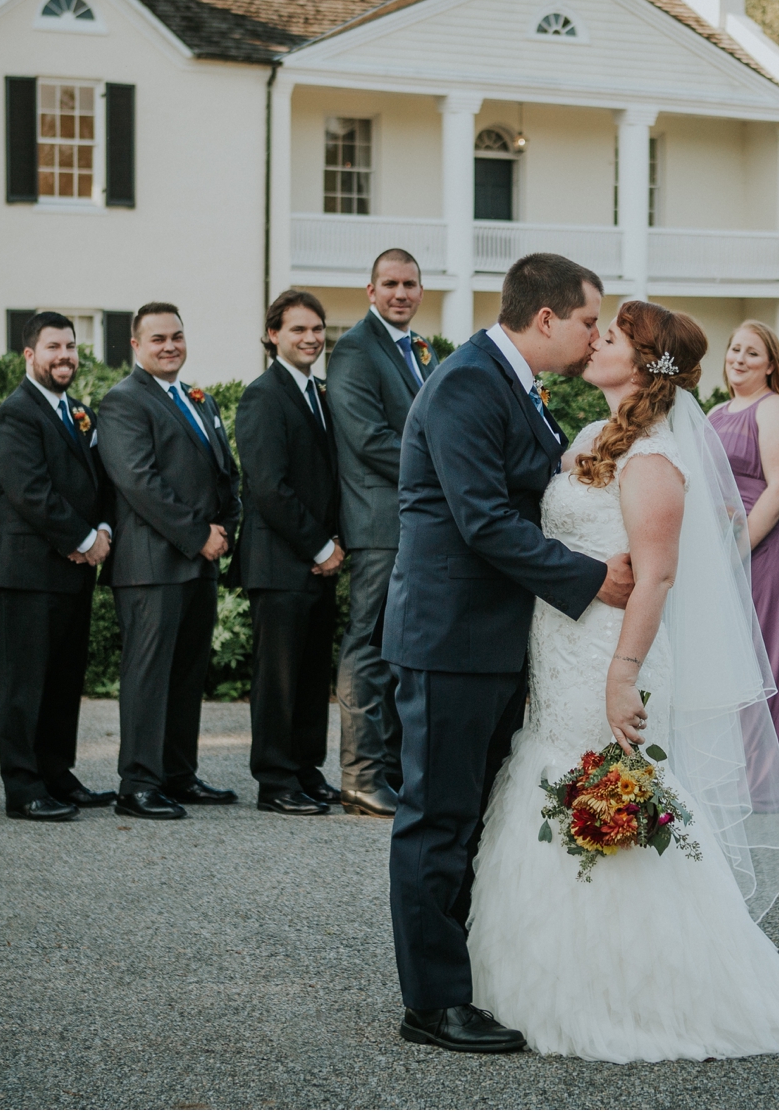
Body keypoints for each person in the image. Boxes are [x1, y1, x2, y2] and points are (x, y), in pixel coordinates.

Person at [467, 301, 779, 1061]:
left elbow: (657, 576)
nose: (595, 341)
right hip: (559, 652)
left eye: (612, 336)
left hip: (612, 656)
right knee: (546, 780)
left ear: (646, 360)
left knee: (605, 791)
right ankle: (538, 978)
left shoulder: (654, 458)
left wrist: (623, 676)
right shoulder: (592, 438)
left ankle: (633, 991)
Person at [383, 253, 633, 1054]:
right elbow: (483, 521)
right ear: (548, 318)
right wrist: (596, 581)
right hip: (448, 639)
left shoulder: (518, 387)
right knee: (436, 819)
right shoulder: (465, 384)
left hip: (493, 641)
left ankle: (466, 977)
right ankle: (432, 1003)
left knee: (473, 818)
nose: (598, 336)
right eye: (591, 320)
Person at [97, 303, 241, 822]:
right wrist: (197, 534)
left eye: (177, 336)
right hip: (151, 565)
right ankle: (137, 784)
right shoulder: (123, 401)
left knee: (186, 675)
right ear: (135, 345)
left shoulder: (194, 399)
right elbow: (139, 482)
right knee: (149, 675)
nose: (170, 346)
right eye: (157, 338)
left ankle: (178, 774)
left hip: (198, 560)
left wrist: (227, 525)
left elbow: (222, 469)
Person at [0, 311, 118, 823]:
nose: (65, 356)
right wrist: (83, 537)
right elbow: (29, 492)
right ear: (29, 354)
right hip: (27, 573)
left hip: (73, 571)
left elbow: (102, 484)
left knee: (63, 681)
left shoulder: (78, 412)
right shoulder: (15, 415)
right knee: (24, 686)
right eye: (53, 348)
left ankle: (57, 774)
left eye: (70, 347)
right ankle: (23, 787)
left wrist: (103, 530)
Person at [324, 249, 434, 818]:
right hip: (376, 524)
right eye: (389, 284)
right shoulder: (354, 351)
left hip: (411, 521)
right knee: (368, 647)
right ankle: (360, 777)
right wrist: (443, 464)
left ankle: (388, 773)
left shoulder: (416, 349)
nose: (400, 293)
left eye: (410, 284)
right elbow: (368, 440)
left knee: (399, 651)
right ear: (370, 291)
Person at [233, 290, 345, 817]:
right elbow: (268, 487)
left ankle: (304, 768)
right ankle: (275, 779)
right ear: (273, 334)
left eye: (317, 328)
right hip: (281, 562)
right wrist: (320, 545)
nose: (311, 338)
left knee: (309, 674)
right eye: (298, 329)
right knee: (278, 679)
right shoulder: (263, 395)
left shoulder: (319, 392)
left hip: (320, 563)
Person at [708, 321, 779, 809]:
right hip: (720, 552)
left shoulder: (776, 411)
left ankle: (768, 784)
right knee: (727, 662)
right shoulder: (715, 412)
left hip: (761, 552)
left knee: (765, 660)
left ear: (770, 364)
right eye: (734, 348)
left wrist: (739, 546)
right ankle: (731, 777)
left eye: (752, 352)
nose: (740, 358)